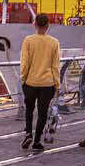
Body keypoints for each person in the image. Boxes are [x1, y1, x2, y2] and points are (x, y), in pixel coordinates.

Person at [20, 13, 61, 151]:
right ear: (48, 26)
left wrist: (23, 78)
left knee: (29, 110)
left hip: (30, 82)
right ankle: (37, 140)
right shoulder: (54, 42)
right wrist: (57, 83)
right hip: (47, 83)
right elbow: (55, 66)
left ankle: (28, 134)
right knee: (43, 113)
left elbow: (25, 63)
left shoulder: (28, 40)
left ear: (34, 24)